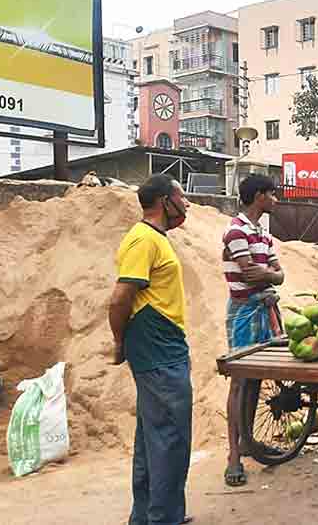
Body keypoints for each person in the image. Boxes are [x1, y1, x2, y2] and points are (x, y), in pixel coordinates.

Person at [108, 174, 194, 525]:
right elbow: (119, 298)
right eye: (182, 197)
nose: (186, 204)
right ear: (164, 201)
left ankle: (148, 516)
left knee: (153, 436)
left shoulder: (155, 239)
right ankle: (163, 518)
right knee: (170, 439)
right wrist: (118, 341)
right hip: (156, 345)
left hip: (164, 341)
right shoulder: (142, 240)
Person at [222, 174, 284, 487]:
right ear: (259, 196)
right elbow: (248, 272)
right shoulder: (236, 231)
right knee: (239, 382)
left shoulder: (262, 235)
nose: (276, 200)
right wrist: (269, 275)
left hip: (263, 309)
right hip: (244, 313)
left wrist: (267, 275)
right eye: (272, 194)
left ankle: (248, 441)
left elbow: (279, 273)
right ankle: (233, 456)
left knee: (256, 378)